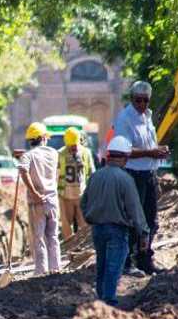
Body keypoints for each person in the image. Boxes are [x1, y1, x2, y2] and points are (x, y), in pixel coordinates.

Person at [81, 136, 150, 306]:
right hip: (117, 231)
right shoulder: (125, 179)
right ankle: (108, 303)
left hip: (97, 229)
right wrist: (143, 233)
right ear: (125, 157)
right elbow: (135, 209)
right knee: (113, 268)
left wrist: (90, 217)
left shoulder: (96, 176)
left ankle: (100, 301)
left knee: (102, 266)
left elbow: (83, 202)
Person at [114, 80, 168, 276]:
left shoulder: (147, 117)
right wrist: (151, 152)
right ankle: (126, 262)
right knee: (132, 220)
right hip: (133, 175)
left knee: (151, 222)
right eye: (138, 100)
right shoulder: (125, 118)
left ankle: (145, 259)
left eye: (146, 101)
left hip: (149, 174)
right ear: (131, 99)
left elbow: (149, 145)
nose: (142, 105)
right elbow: (124, 150)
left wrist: (158, 153)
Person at [16, 122, 62, 275]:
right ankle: (55, 268)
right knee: (53, 236)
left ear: (31, 140)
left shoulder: (28, 156)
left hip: (37, 202)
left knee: (39, 237)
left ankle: (41, 271)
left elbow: (23, 171)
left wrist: (34, 192)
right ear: (43, 138)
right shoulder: (54, 153)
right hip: (52, 200)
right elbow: (55, 172)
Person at [57, 127, 95, 239]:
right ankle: (68, 251)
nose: (73, 148)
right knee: (66, 227)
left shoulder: (86, 153)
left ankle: (82, 250)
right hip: (65, 196)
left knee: (85, 226)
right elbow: (56, 175)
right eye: (71, 146)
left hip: (82, 196)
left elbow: (91, 173)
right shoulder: (60, 154)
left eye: (75, 145)